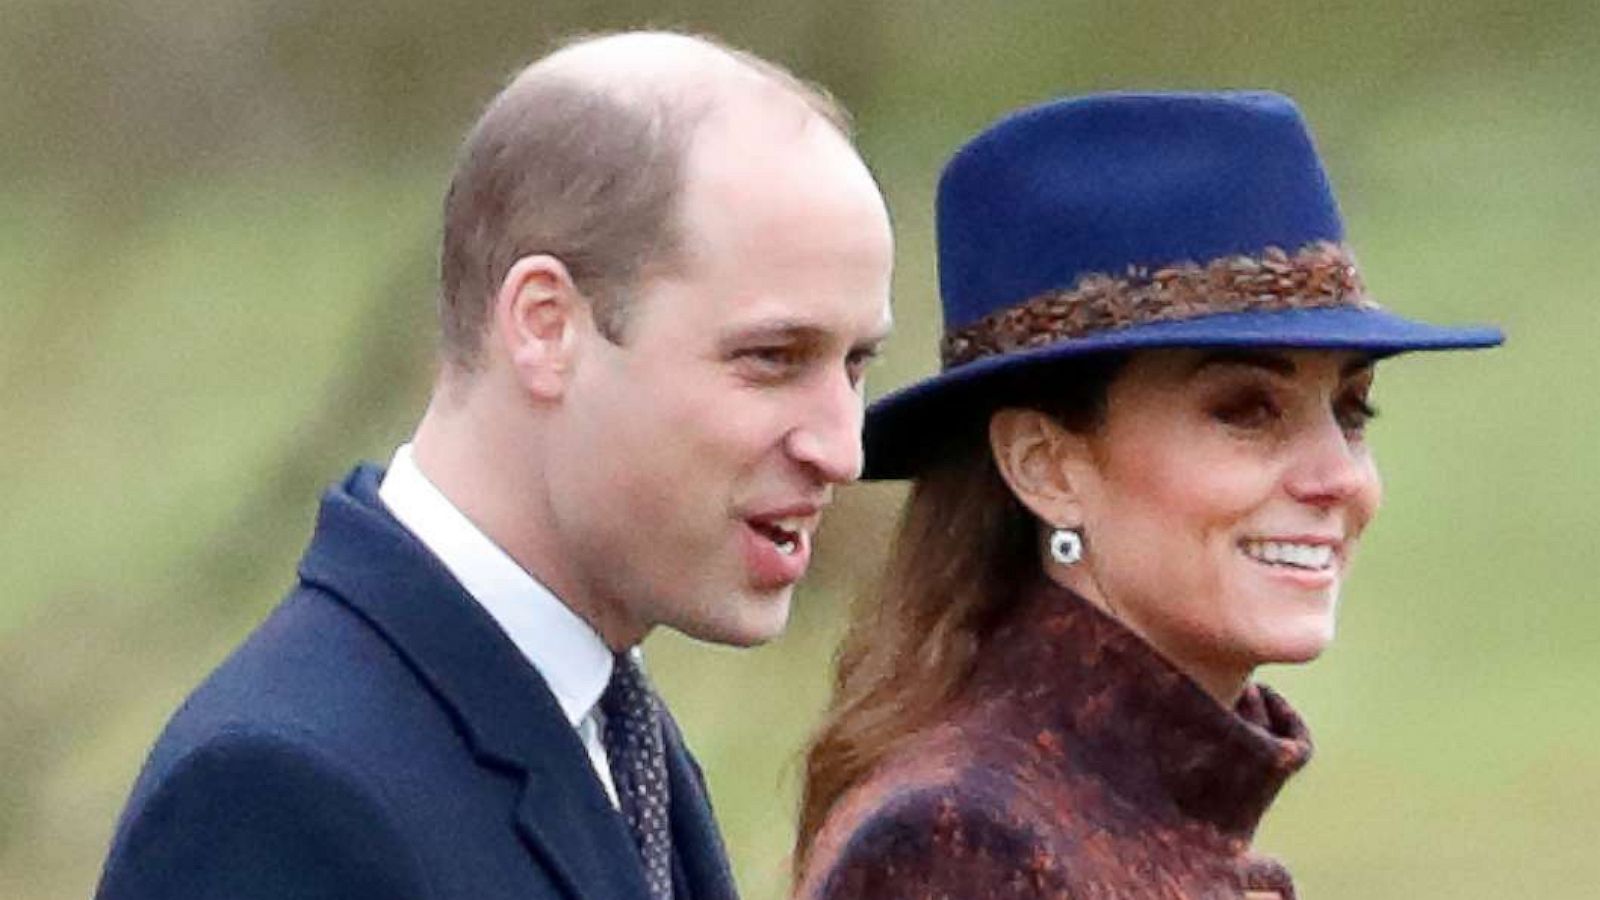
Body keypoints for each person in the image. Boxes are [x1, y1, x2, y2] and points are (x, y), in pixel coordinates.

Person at [96, 30, 894, 900]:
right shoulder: (276, 792)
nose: (841, 448)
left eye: (855, 365)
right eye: (773, 357)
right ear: (546, 326)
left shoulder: (614, 736)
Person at [793, 92, 1499, 899]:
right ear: (1045, 468)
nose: (1336, 476)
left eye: (1350, 411)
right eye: (1244, 411)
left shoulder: (1128, 819)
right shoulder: (967, 846)